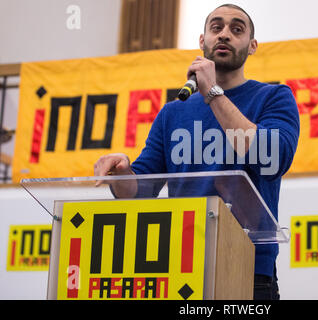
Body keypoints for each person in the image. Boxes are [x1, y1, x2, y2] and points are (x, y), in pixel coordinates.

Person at [94, 3, 300, 300]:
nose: (225, 34)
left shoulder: (274, 97)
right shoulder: (172, 112)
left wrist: (213, 93)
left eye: (237, 29)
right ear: (202, 41)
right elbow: (139, 191)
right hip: (181, 267)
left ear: (252, 46)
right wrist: (122, 172)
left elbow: (272, 157)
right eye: (216, 28)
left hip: (248, 269)